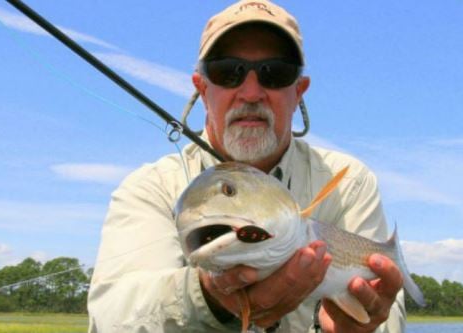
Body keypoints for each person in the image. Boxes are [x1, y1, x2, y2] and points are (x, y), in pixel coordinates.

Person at [88, 1, 407, 332]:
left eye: (275, 73)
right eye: (228, 71)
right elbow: (113, 316)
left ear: (299, 91)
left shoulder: (349, 182)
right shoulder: (150, 187)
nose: (251, 92)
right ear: (201, 87)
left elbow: (385, 310)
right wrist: (209, 297)